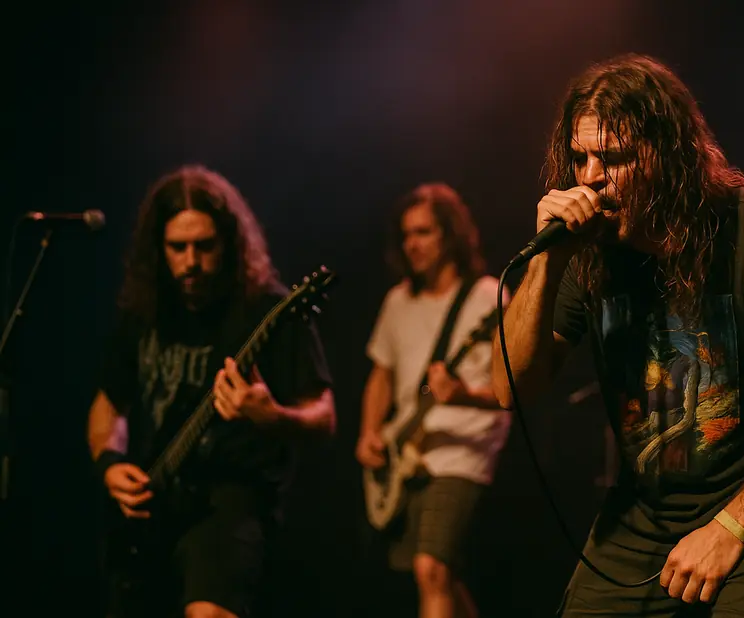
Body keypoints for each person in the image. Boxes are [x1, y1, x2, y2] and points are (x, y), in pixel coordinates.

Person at [493, 54, 744, 617]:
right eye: (580, 157)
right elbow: (508, 386)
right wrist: (549, 262)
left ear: (668, 157)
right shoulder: (588, 254)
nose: (590, 177)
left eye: (613, 159)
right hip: (644, 522)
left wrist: (731, 527)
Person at [87, 165, 336, 618]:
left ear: (230, 242)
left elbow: (324, 414)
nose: (191, 262)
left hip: (232, 502)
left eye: (204, 246)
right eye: (177, 248)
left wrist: (272, 416)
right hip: (155, 506)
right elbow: (108, 404)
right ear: (157, 249)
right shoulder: (146, 310)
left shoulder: (267, 309)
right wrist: (109, 463)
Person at [356, 183, 510, 618]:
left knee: (431, 568)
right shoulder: (398, 301)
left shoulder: (487, 296)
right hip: (406, 453)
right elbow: (380, 376)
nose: (413, 244)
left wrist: (463, 396)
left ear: (451, 234)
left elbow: (512, 389)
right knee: (439, 575)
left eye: (424, 232)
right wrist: (369, 432)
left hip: (464, 453)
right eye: (406, 234)